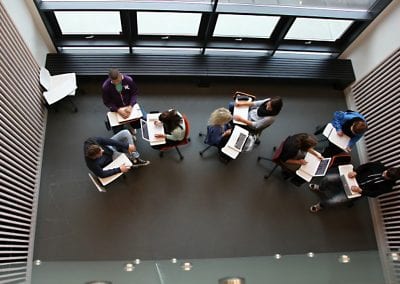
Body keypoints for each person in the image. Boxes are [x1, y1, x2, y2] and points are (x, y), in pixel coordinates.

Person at [309, 161, 400, 212]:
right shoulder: (379, 166)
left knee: (335, 201)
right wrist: (356, 171)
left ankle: (320, 206)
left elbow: (374, 194)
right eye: (385, 172)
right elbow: (364, 166)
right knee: (328, 178)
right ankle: (321, 188)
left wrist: (361, 191)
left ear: (391, 180)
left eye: (386, 177)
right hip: (353, 178)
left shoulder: (388, 187)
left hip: (358, 190)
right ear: (389, 168)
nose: (383, 174)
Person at [84, 129, 150, 178]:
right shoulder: (91, 164)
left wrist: (127, 146)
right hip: (111, 157)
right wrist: (119, 169)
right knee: (126, 158)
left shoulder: (91, 141)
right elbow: (102, 174)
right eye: (100, 153)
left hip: (108, 147)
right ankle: (134, 159)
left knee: (125, 132)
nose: (102, 151)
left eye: (101, 149)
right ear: (95, 157)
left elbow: (107, 141)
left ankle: (135, 157)